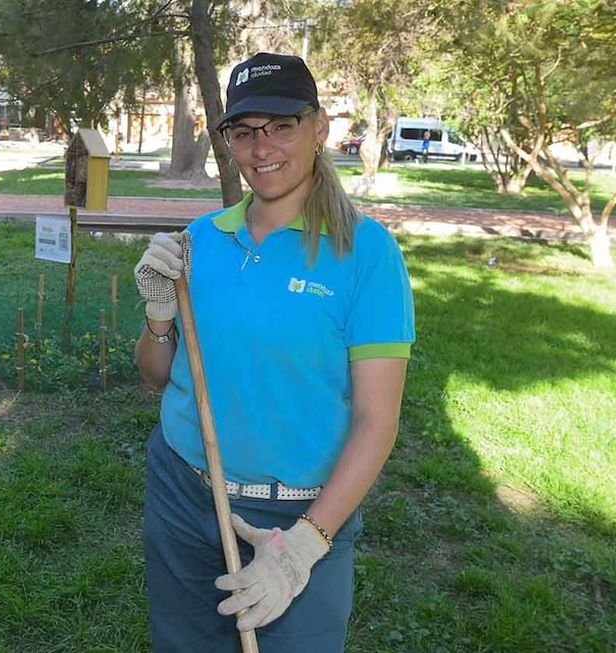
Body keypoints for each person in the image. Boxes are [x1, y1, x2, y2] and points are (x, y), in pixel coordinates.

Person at [133, 52, 415, 652]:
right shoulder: (200, 241)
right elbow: (157, 375)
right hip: (186, 489)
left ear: (319, 129)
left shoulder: (366, 253)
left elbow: (377, 419)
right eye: (244, 132)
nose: (262, 149)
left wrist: (306, 544)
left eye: (281, 126)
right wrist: (159, 315)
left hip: (305, 512)